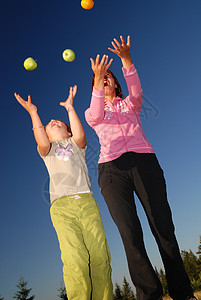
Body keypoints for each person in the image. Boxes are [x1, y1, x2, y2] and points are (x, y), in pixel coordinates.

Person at [85, 35, 196, 300]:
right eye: (101, 77)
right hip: (111, 171)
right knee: (130, 234)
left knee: (163, 227)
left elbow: (136, 91)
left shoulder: (130, 105)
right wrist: (97, 82)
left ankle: (183, 293)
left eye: (109, 76)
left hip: (144, 162)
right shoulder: (93, 111)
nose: (105, 78)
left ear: (116, 82)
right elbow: (96, 113)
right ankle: (149, 295)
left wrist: (125, 59)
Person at [14, 85, 113, 300]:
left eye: (59, 122)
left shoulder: (77, 145)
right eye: (49, 125)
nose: (53, 122)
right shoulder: (47, 150)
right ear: (47, 136)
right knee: (74, 258)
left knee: (99, 256)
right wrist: (33, 113)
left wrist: (69, 108)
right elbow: (40, 138)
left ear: (68, 131)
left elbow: (79, 133)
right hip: (62, 208)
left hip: (86, 203)